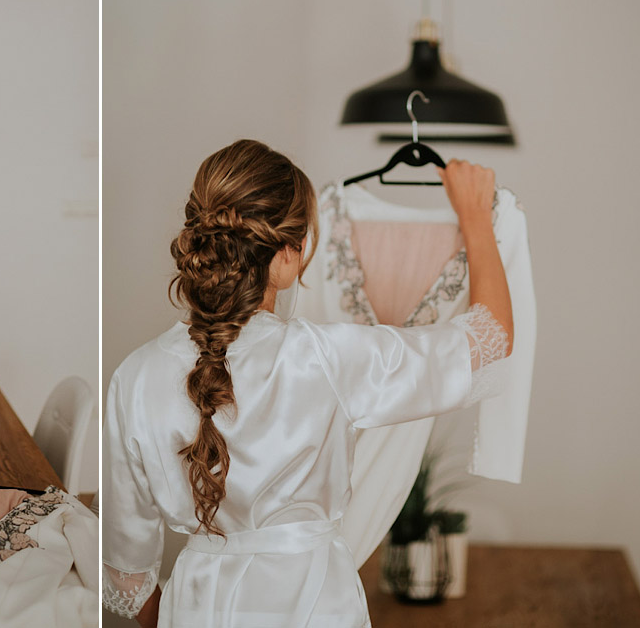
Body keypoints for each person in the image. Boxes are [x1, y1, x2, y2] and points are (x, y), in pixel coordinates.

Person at [102, 139, 513, 628]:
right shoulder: (328, 357)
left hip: (197, 606)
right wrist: (476, 222)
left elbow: (124, 567)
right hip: (315, 606)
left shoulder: (135, 375)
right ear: (288, 256)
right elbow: (489, 344)